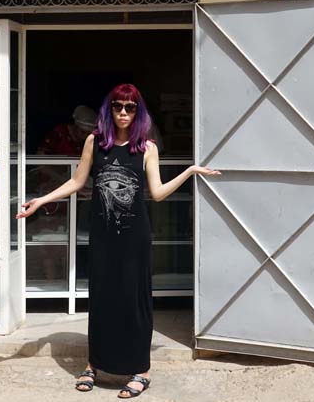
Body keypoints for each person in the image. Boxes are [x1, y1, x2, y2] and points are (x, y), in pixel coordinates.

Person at [16, 84, 219, 398]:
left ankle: (141, 369)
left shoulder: (146, 148)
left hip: (134, 237)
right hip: (103, 234)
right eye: (118, 106)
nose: (123, 112)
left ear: (139, 112)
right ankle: (94, 365)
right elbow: (76, 180)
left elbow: (158, 193)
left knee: (134, 301)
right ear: (108, 110)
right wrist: (40, 201)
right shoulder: (95, 142)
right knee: (101, 299)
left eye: (130, 107)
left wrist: (189, 170)